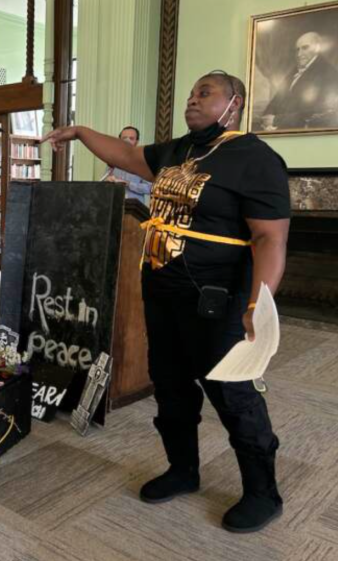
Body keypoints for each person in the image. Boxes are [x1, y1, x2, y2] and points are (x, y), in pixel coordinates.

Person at [43, 70, 291, 534]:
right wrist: (79, 131)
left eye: (205, 93)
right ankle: (183, 470)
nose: (192, 101)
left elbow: (269, 237)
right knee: (171, 385)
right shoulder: (180, 150)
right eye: (191, 93)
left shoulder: (254, 159)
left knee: (233, 394)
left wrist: (261, 303)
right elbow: (128, 155)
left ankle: (262, 492)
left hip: (217, 300)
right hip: (163, 292)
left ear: (234, 102)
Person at [260, 31, 338, 130]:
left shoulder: (328, 72)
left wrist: (277, 120)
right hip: (278, 128)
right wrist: (266, 117)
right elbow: (278, 97)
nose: (299, 54)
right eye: (297, 49)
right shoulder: (295, 70)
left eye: (305, 48)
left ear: (317, 48)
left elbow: (318, 110)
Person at [101, 126, 152, 205]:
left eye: (131, 138)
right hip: (114, 204)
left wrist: (128, 184)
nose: (127, 141)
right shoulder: (113, 160)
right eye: (124, 138)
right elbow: (102, 182)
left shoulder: (143, 161)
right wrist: (108, 181)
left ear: (136, 141)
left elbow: (150, 188)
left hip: (135, 209)